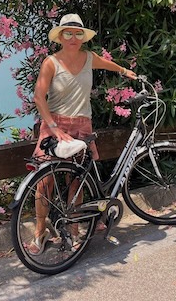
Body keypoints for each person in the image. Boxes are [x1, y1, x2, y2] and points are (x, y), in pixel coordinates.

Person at [28, 13, 137, 254]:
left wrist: (124, 71)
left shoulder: (89, 58)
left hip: (81, 125)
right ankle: (40, 232)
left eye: (78, 33)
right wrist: (53, 127)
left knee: (76, 181)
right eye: (68, 33)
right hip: (54, 124)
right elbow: (38, 97)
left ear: (83, 37)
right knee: (44, 181)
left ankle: (74, 230)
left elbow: (108, 64)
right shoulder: (51, 62)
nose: (73, 38)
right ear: (60, 36)